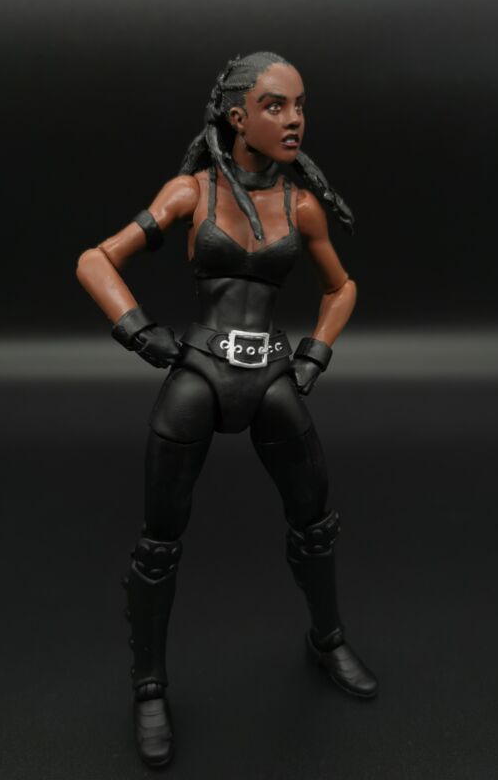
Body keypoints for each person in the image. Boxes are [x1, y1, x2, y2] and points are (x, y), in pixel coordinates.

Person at [76, 51, 377, 769]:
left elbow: (341, 287)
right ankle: (149, 684)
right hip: (200, 371)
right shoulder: (191, 193)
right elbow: (96, 259)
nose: (294, 119)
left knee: (315, 519)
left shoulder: (301, 205)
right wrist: (138, 331)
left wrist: (315, 355)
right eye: (276, 106)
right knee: (159, 540)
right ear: (237, 116)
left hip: (271, 374)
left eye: (300, 105)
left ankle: (327, 638)